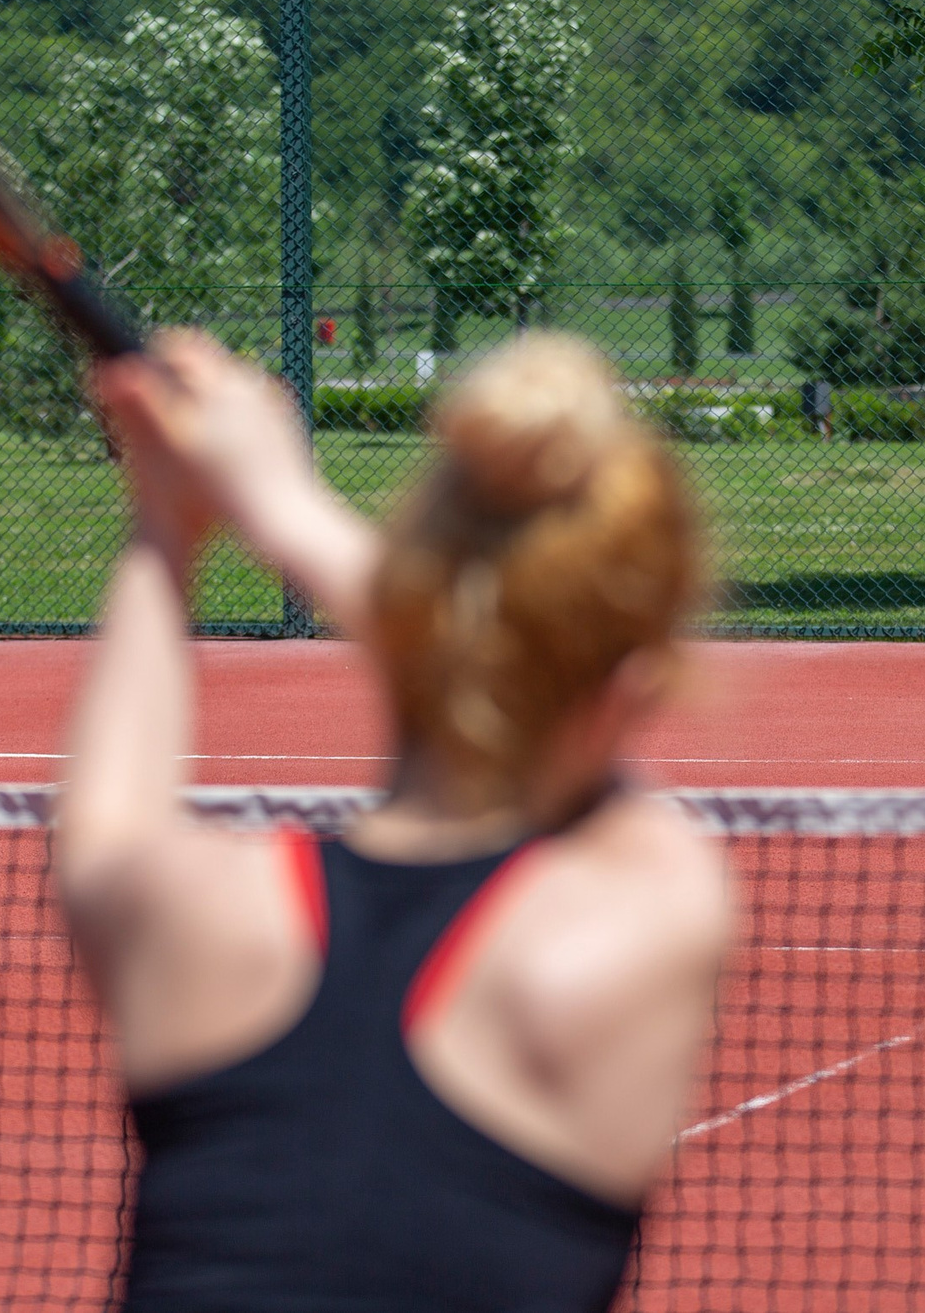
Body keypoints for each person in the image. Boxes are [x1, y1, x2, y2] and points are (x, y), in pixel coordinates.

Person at [56, 329, 730, 1311]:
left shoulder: (195, 917)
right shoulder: (638, 926)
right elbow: (527, 688)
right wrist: (282, 506)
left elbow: (102, 831)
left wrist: (170, 512)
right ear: (633, 685)